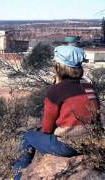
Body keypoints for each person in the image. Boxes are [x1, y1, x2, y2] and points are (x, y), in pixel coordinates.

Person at [12, 45, 100, 180]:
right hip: (90, 143)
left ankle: (16, 177)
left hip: (67, 147)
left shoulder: (56, 91)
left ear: (58, 67)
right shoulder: (90, 88)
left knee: (27, 137)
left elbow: (47, 129)